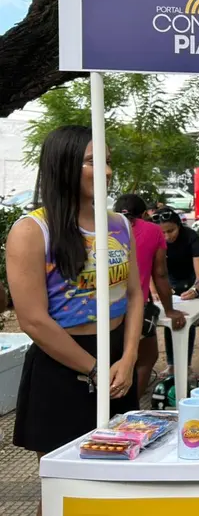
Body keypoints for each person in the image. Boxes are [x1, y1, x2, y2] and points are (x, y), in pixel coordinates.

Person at [7, 126, 143, 515]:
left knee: (118, 480)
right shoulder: (32, 231)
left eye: (107, 161)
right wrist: (95, 370)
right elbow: (32, 319)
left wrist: (129, 357)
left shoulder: (119, 224)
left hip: (118, 361)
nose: (106, 171)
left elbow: (135, 296)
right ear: (63, 165)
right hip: (63, 366)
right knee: (65, 490)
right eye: (91, 161)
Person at [113, 194, 187, 399]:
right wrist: (170, 309)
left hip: (104, 307)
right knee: (146, 357)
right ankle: (130, 404)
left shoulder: (103, 228)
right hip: (138, 307)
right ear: (145, 214)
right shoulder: (153, 231)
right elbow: (160, 274)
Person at [152, 207, 199, 376]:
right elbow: (147, 269)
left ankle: (185, 364)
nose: (167, 236)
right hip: (167, 283)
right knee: (169, 323)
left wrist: (195, 290)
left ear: (179, 225)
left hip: (189, 285)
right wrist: (154, 291)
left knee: (185, 324)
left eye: (171, 231)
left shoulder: (191, 237)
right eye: (163, 233)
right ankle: (172, 364)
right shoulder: (154, 239)